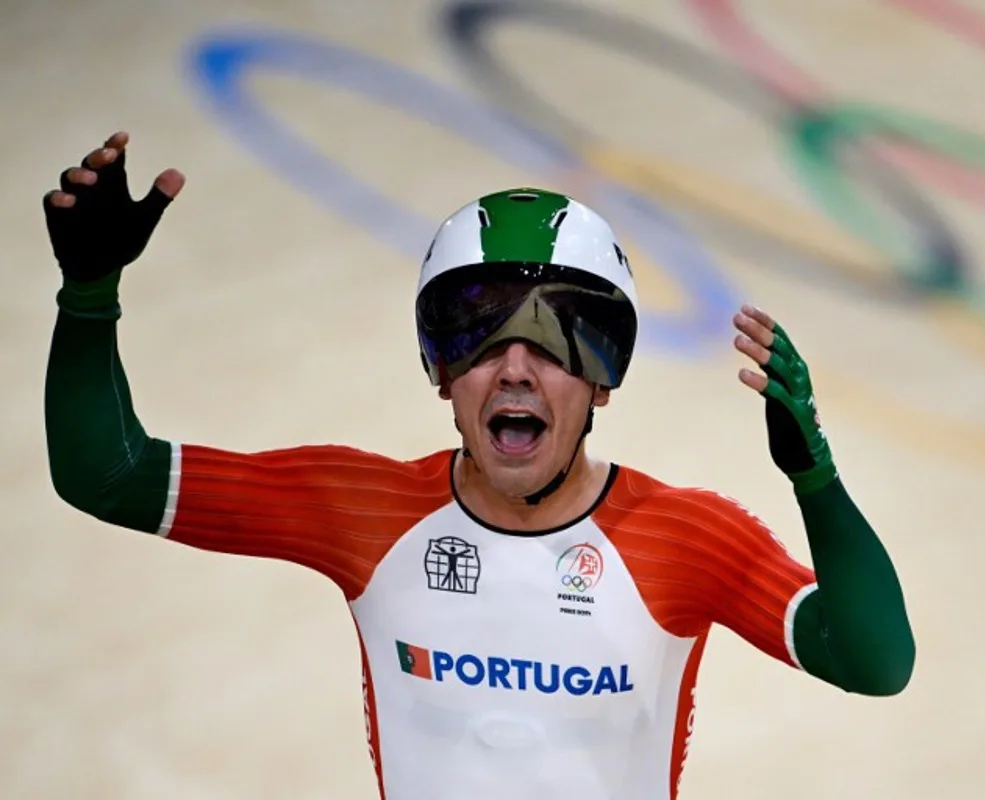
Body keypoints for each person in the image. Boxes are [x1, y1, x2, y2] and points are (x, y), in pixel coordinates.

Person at [42, 131, 915, 800]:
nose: (517, 366)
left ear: (604, 382)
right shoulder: (363, 510)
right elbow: (107, 476)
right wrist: (88, 295)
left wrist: (816, 478)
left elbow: (876, 663)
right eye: (479, 333)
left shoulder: (686, 541)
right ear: (440, 371)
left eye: (559, 335)